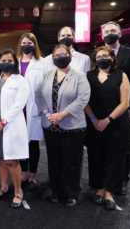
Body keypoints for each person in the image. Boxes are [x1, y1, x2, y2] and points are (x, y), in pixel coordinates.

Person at [35, 44, 90, 209]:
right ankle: (56, 191)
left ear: (70, 56)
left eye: (63, 54)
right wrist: (47, 113)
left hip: (72, 126)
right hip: (50, 125)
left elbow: (82, 99)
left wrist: (61, 115)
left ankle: (71, 193)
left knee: (71, 161)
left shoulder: (79, 76)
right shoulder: (46, 75)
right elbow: (38, 96)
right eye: (56, 55)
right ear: (52, 58)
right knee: (54, 160)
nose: (60, 57)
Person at [84, 46, 130, 210]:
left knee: (115, 160)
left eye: (106, 55)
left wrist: (107, 120)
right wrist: (94, 119)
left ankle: (110, 193)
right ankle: (98, 189)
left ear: (112, 58)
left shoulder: (121, 75)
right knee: (95, 157)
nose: (102, 58)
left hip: (116, 124)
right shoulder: (89, 76)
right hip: (94, 124)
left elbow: (125, 103)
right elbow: (85, 101)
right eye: (99, 56)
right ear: (94, 60)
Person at [101, 21, 130, 194]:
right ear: (102, 35)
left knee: (124, 145)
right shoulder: (98, 54)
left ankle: (123, 179)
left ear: (120, 34)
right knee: (104, 144)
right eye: (107, 31)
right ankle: (105, 177)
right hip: (102, 108)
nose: (110, 33)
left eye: (113, 31)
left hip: (124, 107)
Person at [0, 48, 30, 208]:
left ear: (15, 63)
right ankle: (4, 187)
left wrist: (3, 122)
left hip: (10, 125)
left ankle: (18, 191)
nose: (6, 63)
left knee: (11, 159)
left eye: (9, 61)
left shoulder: (20, 80)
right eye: (3, 61)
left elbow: (19, 104)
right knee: (1, 157)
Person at [16, 32, 45, 191]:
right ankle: (24, 173)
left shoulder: (41, 63)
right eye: (23, 42)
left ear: (34, 45)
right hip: (18, 111)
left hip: (34, 109)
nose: (26, 45)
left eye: (29, 43)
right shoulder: (15, 63)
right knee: (20, 142)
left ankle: (33, 175)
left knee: (33, 144)